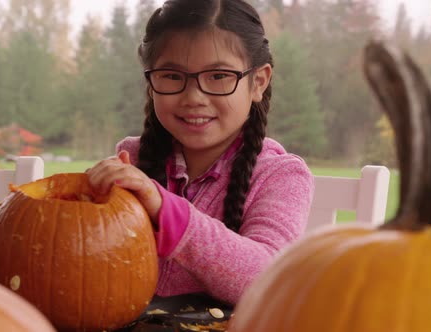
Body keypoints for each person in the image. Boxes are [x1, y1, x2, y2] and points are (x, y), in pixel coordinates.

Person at [86, 0, 314, 307]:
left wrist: (166, 210)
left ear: (258, 82)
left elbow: (267, 280)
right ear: (151, 83)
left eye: (218, 76)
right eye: (172, 76)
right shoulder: (133, 160)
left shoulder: (281, 176)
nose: (193, 97)